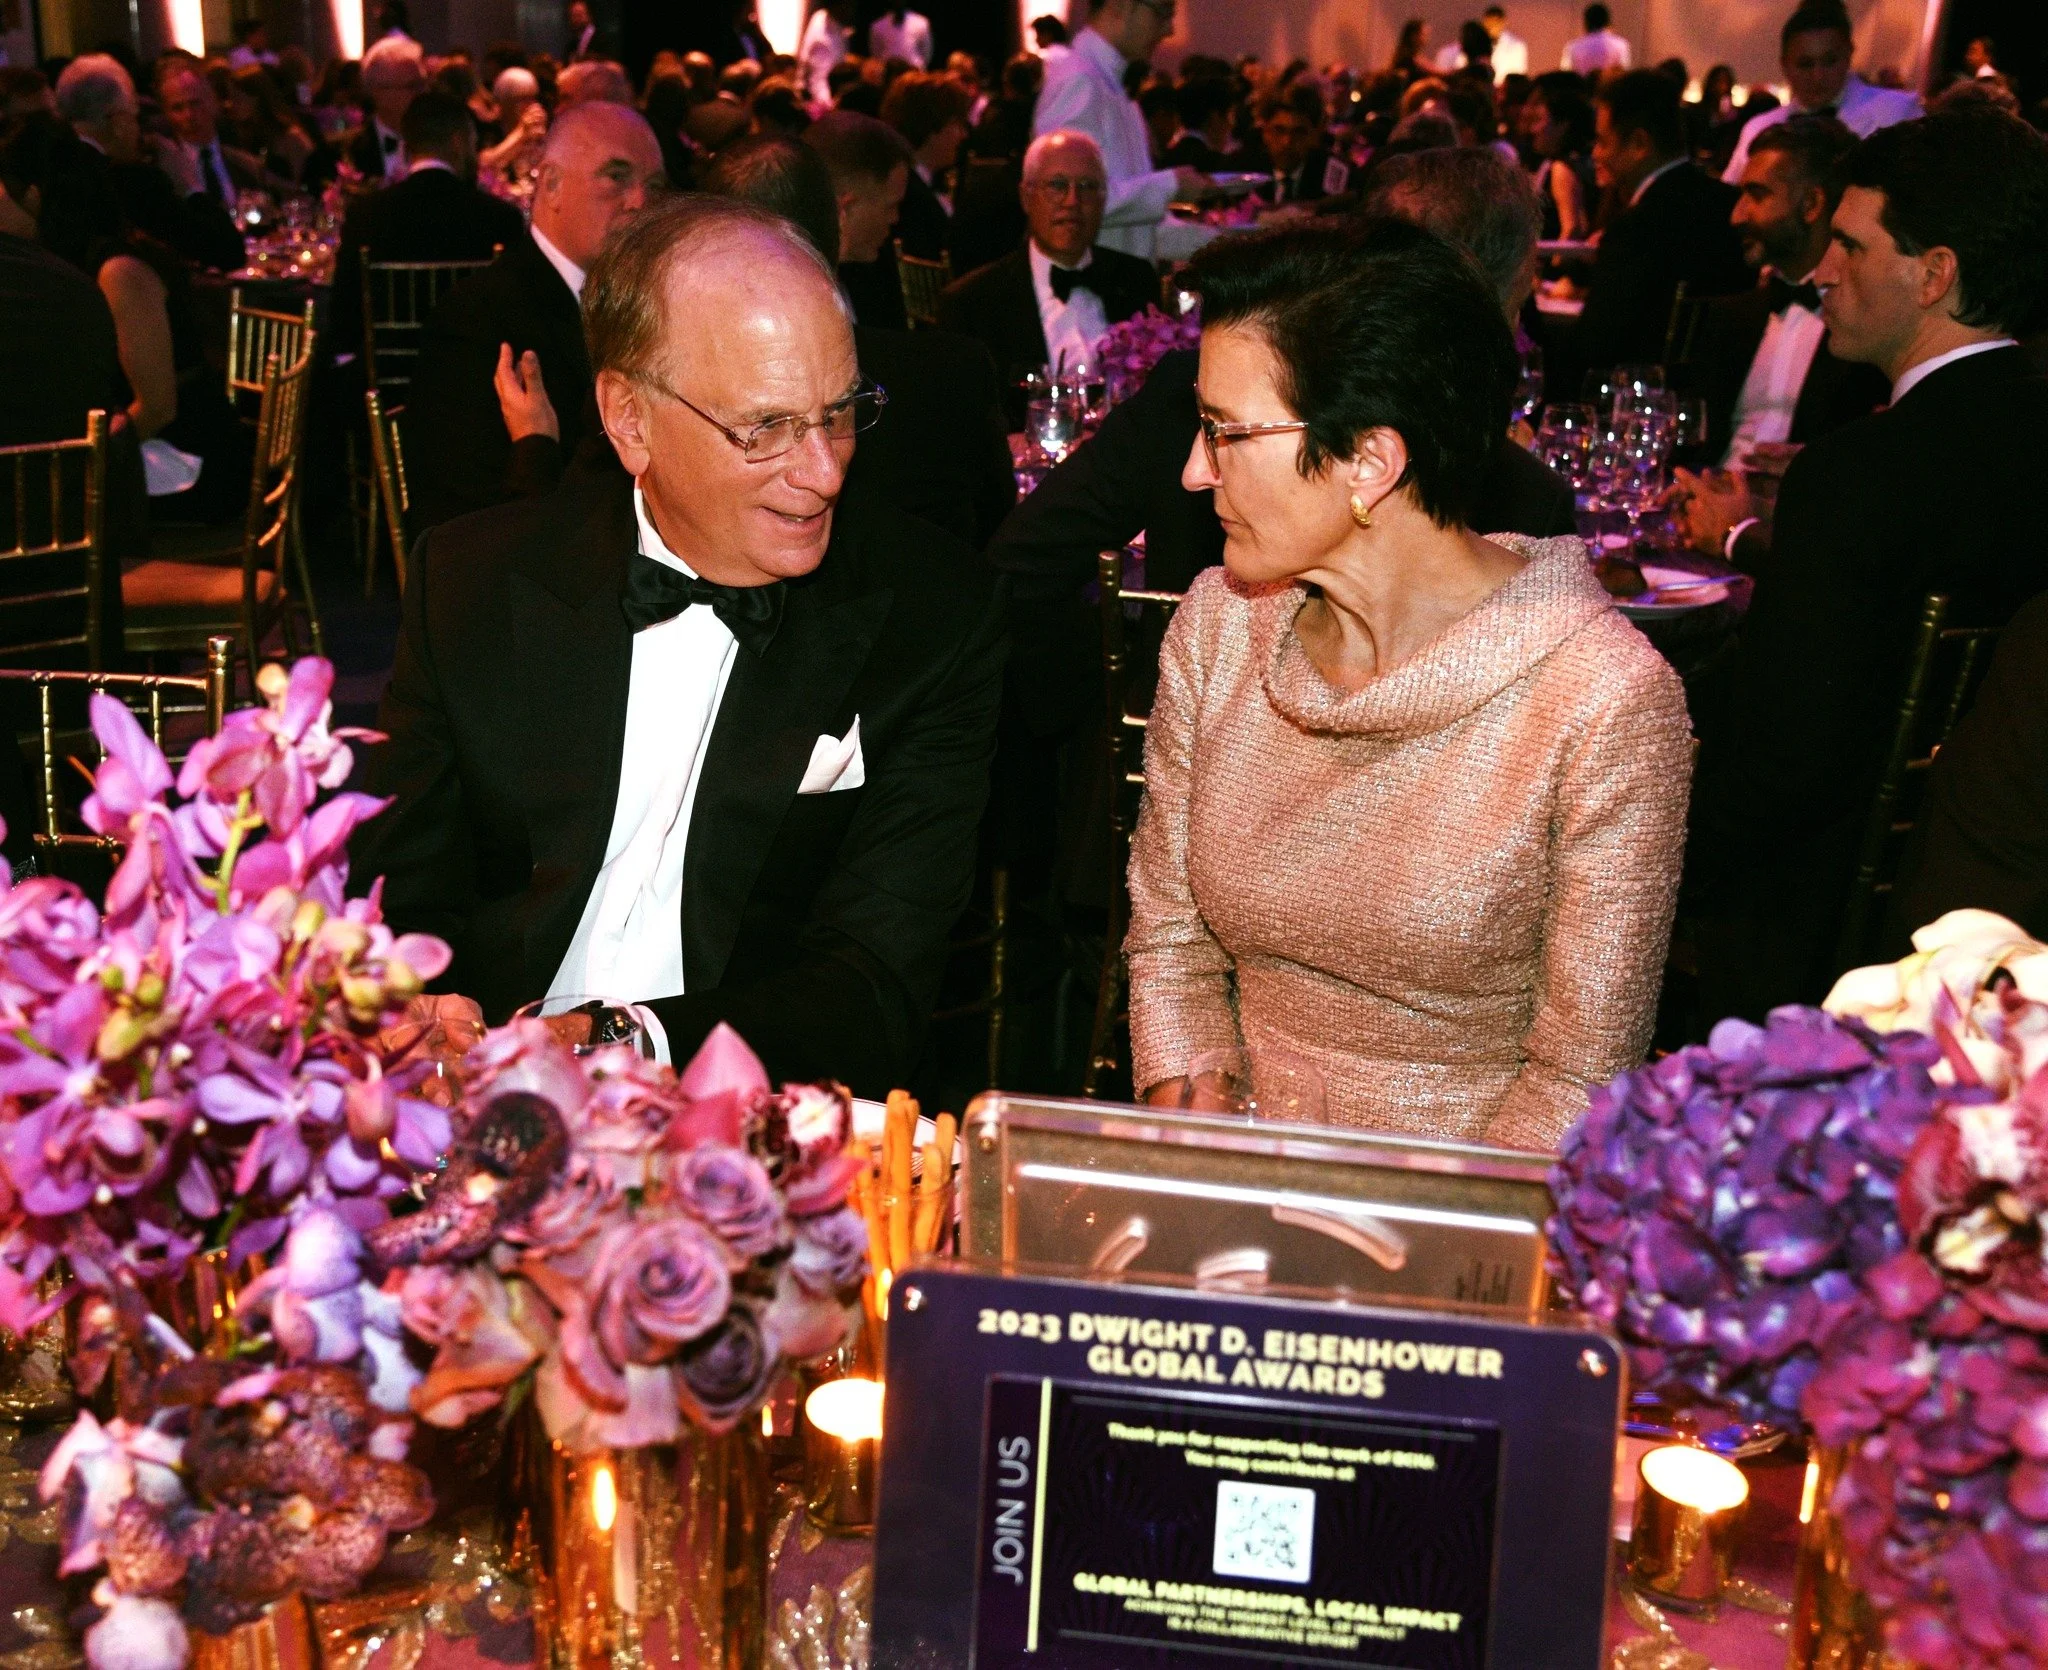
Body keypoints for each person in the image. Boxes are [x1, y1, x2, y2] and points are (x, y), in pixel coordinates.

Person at [356, 195, 1004, 1091]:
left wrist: (610, 1043)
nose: (823, 471)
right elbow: (399, 905)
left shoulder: (932, 616)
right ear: (629, 420)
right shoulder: (468, 583)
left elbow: (872, 988)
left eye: (841, 411)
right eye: (766, 427)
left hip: (748, 1117)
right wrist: (419, 1014)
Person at [1121, 216, 1687, 1146]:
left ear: (1370, 462)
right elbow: (1172, 949)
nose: (1192, 471)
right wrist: (1207, 1158)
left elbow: (1580, 1081)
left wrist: (1410, 1239)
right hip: (1234, 1176)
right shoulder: (1220, 626)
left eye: (1225, 432)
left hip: (1468, 1221)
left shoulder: (1601, 701)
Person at [1688, 107, 2048, 1019]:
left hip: (1816, 946)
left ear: (1935, 275)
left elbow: (1784, 766)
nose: (1822, 270)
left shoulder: (1858, 477)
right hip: (1979, 913)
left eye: (1850, 246)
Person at [991, 142, 1576, 603]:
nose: (1201, 469)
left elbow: (1020, 567)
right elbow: (1019, 567)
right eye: (1517, 304)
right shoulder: (1517, 489)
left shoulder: (1182, 389)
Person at [406, 101, 663, 532]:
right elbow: (466, 521)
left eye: (653, 185)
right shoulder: (477, 321)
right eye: (616, 177)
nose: (640, 201)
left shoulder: (655, 299)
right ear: (552, 184)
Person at [1674, 117, 1886, 475]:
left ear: (1811, 205)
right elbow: (1694, 441)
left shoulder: (1870, 326)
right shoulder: (1732, 315)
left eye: (1756, 195)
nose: (1736, 215)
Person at [937, 129, 1160, 408]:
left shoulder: (1136, 278)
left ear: (1103, 201)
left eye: (1087, 186)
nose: (1072, 201)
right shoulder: (972, 302)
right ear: (1026, 197)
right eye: (1057, 185)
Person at [329, 89, 526, 364]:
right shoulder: (499, 218)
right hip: (472, 377)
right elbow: (518, 314)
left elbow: (345, 313)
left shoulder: (366, 215)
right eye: (473, 142)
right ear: (459, 142)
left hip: (388, 377)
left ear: (408, 146)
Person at [1573, 69, 1748, 376]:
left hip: (1640, 401)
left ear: (1639, 144)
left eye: (1603, 141)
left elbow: (1593, 349)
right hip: (1715, 389)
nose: (1596, 154)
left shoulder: (1635, 229)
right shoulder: (1733, 205)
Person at [1032, 0, 1212, 261]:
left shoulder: (1110, 86)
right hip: (1089, 292)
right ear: (1123, 6)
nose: (1170, 29)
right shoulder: (1079, 82)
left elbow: (1139, 234)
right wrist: (1170, 185)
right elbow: (1065, 200)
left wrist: (1232, 239)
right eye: (1162, 12)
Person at [55, 53, 242, 271]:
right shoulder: (131, 178)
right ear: (119, 123)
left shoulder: (50, 164)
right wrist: (190, 187)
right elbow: (229, 251)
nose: (138, 131)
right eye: (135, 117)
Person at [1722, 2, 1919, 183]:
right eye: (1805, 64)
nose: (1818, 76)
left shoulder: (1897, 113)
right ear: (1784, 65)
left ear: (1849, 54)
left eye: (1830, 61)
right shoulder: (1758, 129)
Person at [803, 109, 912, 328]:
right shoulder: (803, 310)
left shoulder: (866, 282)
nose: (895, 219)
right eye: (891, 206)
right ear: (846, 207)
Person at [880, 70, 970, 261]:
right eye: (955, 124)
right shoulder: (907, 198)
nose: (963, 135)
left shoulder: (921, 183)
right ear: (930, 126)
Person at [154, 60, 261, 208]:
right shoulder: (163, 171)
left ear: (213, 102)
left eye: (195, 103)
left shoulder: (246, 165)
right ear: (166, 113)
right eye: (177, 108)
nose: (189, 115)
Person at [1524, 72, 1594, 241]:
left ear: (1563, 124)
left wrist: (1556, 263)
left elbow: (1572, 229)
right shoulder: (1578, 161)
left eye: (1539, 120)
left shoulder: (1562, 168)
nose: (1533, 130)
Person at [349, 35, 427, 181]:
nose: (423, 94)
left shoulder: (441, 146)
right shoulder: (348, 153)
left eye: (423, 84)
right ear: (378, 93)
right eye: (413, 86)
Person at [1251, 81, 1344, 204]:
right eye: (1279, 130)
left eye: (1299, 132)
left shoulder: (1334, 174)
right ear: (1265, 132)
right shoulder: (1242, 170)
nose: (1287, 142)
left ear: (1315, 134)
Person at [799, 0, 855, 104]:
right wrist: (830, 105)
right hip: (821, 102)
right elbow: (818, 79)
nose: (851, 9)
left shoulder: (831, 21)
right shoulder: (823, 35)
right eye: (848, 4)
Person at [1561, 4, 1630, 77]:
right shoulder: (1621, 45)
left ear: (1586, 22)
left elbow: (1566, 74)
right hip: (1609, 87)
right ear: (1608, 22)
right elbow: (1623, 73)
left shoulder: (1573, 46)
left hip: (1582, 87)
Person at [1483, 6, 1528, 79]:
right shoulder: (1472, 43)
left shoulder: (1517, 45)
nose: (1491, 27)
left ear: (1503, 22)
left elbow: (1519, 74)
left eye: (1495, 23)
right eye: (1489, 23)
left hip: (1506, 88)